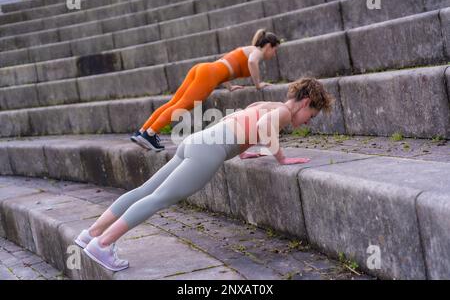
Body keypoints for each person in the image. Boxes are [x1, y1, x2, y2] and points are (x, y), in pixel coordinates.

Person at [75, 77, 334, 271]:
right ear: (306, 102)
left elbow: (238, 121)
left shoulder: (266, 103)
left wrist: (243, 151)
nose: (308, 121)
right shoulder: (284, 113)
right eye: (311, 115)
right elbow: (264, 127)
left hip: (197, 141)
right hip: (208, 152)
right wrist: (282, 158)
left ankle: (92, 234)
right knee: (158, 199)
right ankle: (104, 244)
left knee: (145, 191)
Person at [131, 28, 281, 151]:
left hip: (203, 68)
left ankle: (143, 131)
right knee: (182, 106)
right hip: (208, 74)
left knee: (174, 102)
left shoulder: (247, 49)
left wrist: (229, 85)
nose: (274, 54)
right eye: (275, 50)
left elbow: (226, 62)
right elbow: (252, 62)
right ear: (268, 46)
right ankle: (150, 133)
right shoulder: (256, 51)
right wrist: (258, 84)